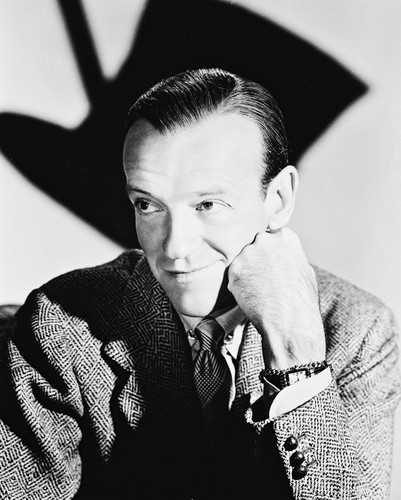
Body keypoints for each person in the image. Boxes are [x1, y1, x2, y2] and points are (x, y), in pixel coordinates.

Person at [0, 68, 399, 500]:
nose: (174, 247)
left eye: (207, 204)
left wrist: (297, 361)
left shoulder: (358, 330)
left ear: (278, 199)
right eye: (147, 205)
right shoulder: (60, 323)